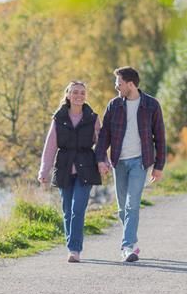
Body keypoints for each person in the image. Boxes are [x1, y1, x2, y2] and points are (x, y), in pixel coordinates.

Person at [95, 66, 166, 263]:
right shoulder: (114, 105)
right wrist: (101, 158)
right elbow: (104, 136)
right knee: (121, 208)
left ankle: (127, 247)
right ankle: (132, 242)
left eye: (119, 83)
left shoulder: (151, 105)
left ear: (130, 84)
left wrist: (159, 166)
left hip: (140, 162)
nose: (116, 87)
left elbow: (160, 137)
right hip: (119, 161)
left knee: (132, 204)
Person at [38, 81, 102, 263]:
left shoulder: (93, 118)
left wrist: (104, 162)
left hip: (86, 168)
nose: (79, 95)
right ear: (68, 95)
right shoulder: (58, 118)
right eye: (75, 92)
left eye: (82, 92)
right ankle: (71, 246)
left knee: (77, 209)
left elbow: (101, 143)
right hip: (64, 167)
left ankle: (74, 249)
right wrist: (44, 170)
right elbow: (50, 146)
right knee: (67, 210)